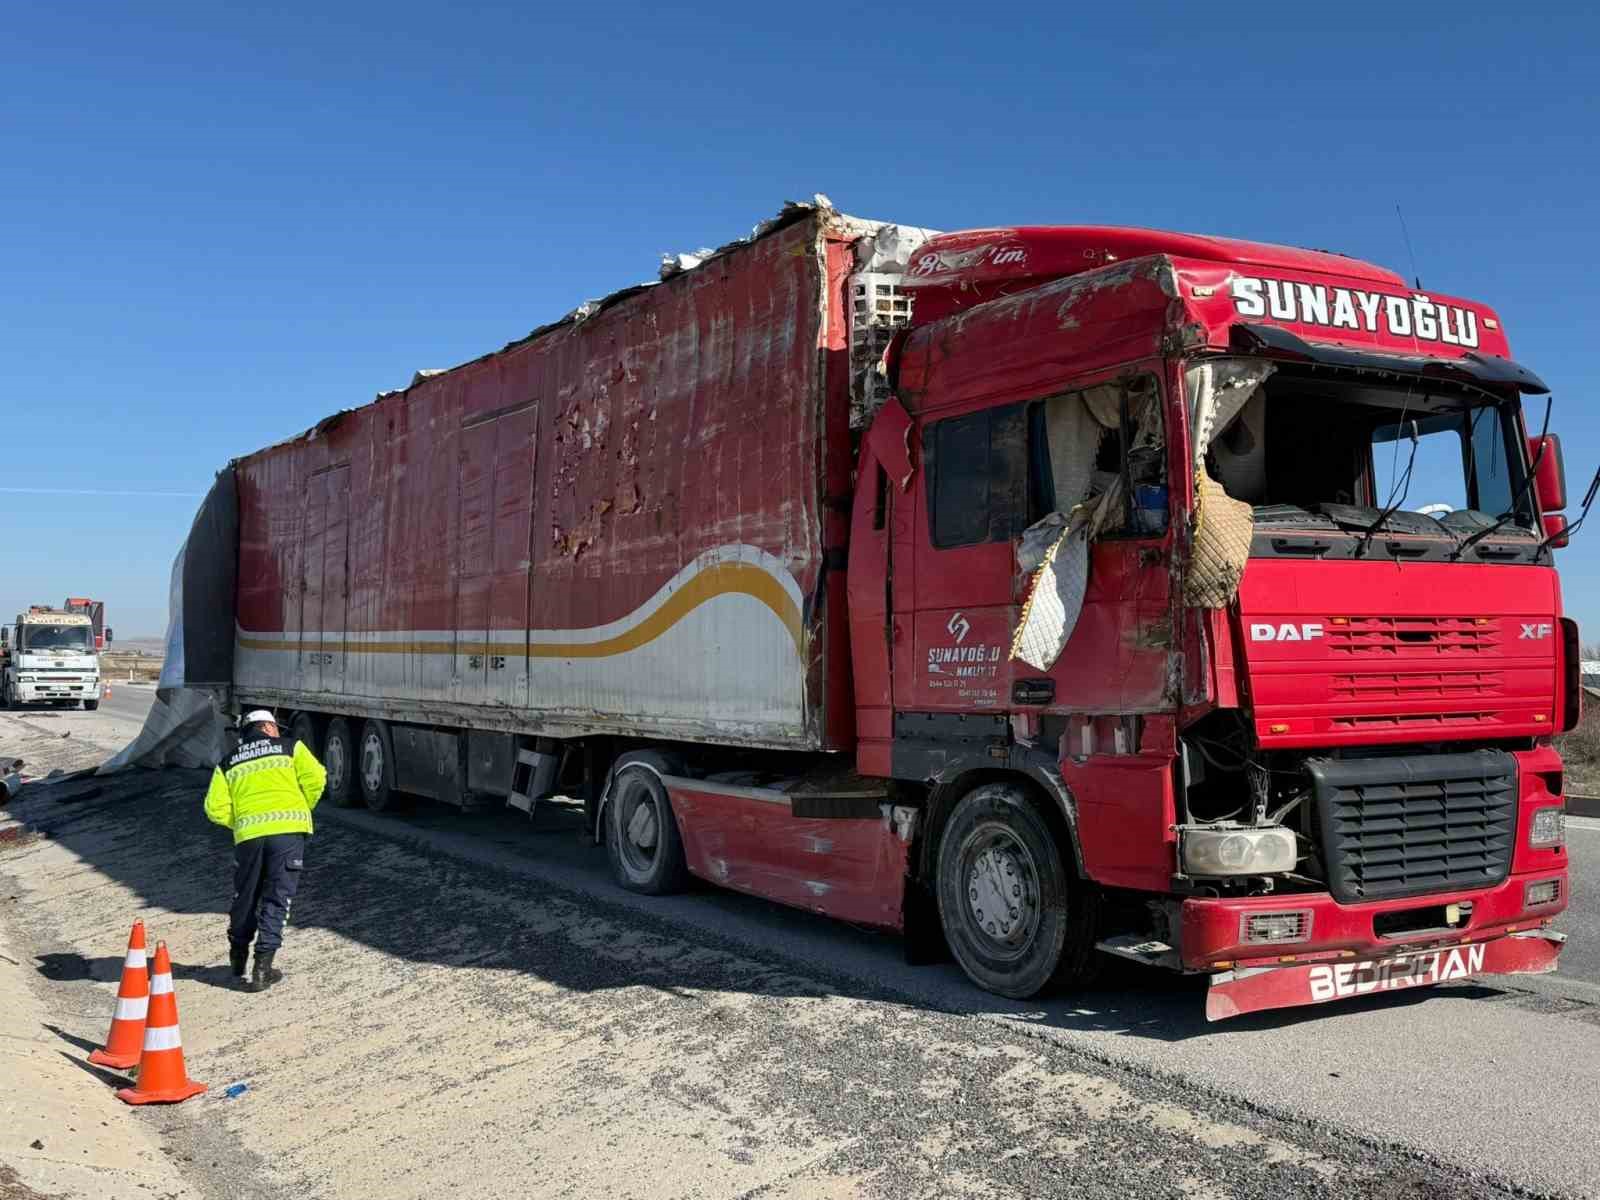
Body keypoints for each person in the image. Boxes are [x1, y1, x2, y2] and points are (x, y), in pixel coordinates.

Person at [203, 709, 326, 991]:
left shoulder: (229, 761)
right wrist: (302, 806)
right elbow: (317, 777)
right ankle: (262, 968)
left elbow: (214, 808)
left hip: (248, 838)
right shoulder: (290, 747)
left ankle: (237, 958)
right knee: (277, 898)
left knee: (245, 896)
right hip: (287, 834)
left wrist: (242, 823)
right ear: (269, 727)